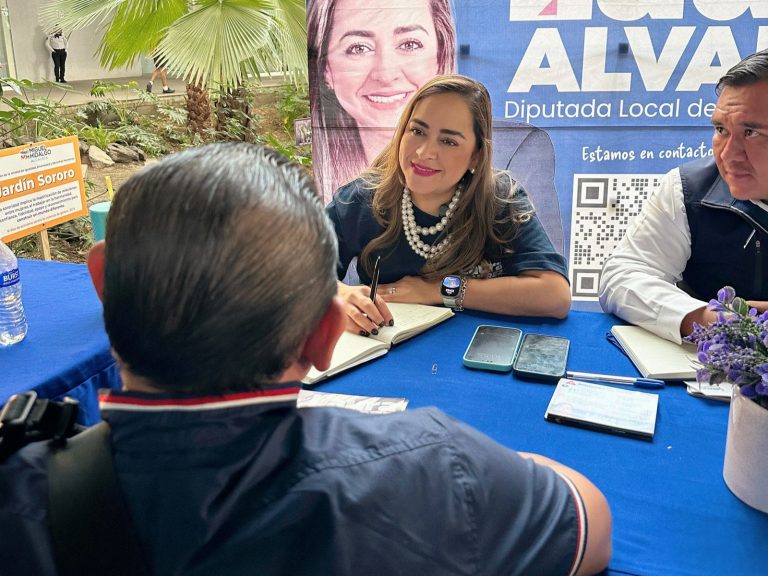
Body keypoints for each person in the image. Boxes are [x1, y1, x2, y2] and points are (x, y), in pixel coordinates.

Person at [0, 143, 611, 575]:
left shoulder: (20, 494)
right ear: (325, 335)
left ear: (103, 283)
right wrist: (493, 470)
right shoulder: (439, 469)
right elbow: (589, 525)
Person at [327, 74, 571, 336]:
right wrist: (338, 295)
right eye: (417, 131)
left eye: (448, 141)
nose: (423, 153)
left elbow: (554, 295)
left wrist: (437, 289)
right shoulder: (361, 198)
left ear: (476, 156)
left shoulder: (501, 201)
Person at [599, 49, 768, 343]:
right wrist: (710, 320)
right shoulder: (688, 189)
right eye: (720, 129)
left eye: (751, 132)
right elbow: (623, 276)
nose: (727, 155)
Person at [308, 0, 456, 202]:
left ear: (440, 55)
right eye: (358, 48)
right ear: (326, 69)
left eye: (409, 44)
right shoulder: (337, 209)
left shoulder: (490, 200)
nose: (385, 74)